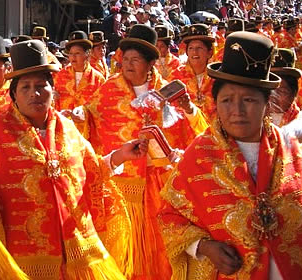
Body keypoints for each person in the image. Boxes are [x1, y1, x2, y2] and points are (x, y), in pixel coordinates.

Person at [159, 31, 302, 279]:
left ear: (267, 104)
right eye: (227, 100)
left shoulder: (298, 154)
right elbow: (170, 215)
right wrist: (203, 247)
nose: (237, 110)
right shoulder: (199, 157)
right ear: (216, 104)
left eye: (248, 100)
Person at [0, 39, 148, 279]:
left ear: (53, 91)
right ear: (13, 95)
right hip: (26, 258)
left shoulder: (67, 129)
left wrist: (120, 156)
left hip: (76, 251)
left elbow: (90, 171)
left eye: (41, 85)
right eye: (25, 87)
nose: (35, 93)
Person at [77, 24, 207, 279]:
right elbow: (89, 121)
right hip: (122, 187)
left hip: (162, 186)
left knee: (162, 251)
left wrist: (190, 109)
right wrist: (77, 116)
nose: (128, 64)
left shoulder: (170, 92)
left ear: (150, 64)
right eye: (125, 59)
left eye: (135, 59)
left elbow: (197, 135)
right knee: (125, 252)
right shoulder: (108, 90)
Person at [168, 23, 216, 122]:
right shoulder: (175, 77)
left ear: (209, 52)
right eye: (191, 48)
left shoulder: (217, 77)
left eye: (199, 48)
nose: (194, 52)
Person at [54, 31, 105, 111]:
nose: (73, 57)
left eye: (77, 53)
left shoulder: (97, 79)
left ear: (87, 54)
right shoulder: (60, 76)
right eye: (71, 54)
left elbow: (102, 107)